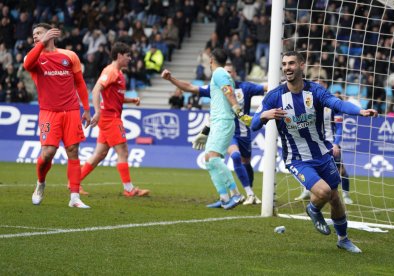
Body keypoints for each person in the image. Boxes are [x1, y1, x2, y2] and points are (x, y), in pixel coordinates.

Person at [251, 51, 378, 253]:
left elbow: (337, 103)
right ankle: (312, 208)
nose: (287, 68)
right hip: (297, 159)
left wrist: (359, 111)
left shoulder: (316, 91)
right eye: (284, 64)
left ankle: (343, 239)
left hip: (321, 154)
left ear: (302, 65)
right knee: (324, 192)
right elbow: (254, 125)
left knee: (335, 198)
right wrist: (265, 115)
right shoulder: (275, 96)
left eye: (291, 63)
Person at [161, 63, 268, 205]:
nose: (227, 75)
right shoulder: (215, 87)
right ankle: (236, 194)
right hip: (227, 130)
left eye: (230, 72)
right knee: (229, 157)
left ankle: (249, 192)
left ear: (234, 73)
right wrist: (171, 79)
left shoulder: (246, 87)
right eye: (225, 72)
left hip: (244, 133)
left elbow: (267, 86)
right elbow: (191, 87)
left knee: (246, 162)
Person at [23, 23, 91, 208]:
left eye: (39, 33)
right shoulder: (34, 57)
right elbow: (27, 64)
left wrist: (86, 108)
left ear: (50, 34)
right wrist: (41, 43)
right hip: (48, 112)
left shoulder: (69, 56)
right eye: (34, 34)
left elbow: (80, 83)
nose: (35, 36)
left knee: (73, 151)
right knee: (48, 153)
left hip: (71, 111)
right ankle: (40, 183)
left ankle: (75, 197)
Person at [79, 42, 150, 198]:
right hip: (109, 118)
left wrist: (131, 100)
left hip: (111, 116)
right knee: (123, 151)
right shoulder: (111, 71)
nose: (130, 59)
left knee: (99, 154)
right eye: (128, 55)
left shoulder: (118, 74)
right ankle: (129, 189)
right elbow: (96, 89)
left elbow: (116, 97)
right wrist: (96, 112)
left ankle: (74, 183)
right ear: (119, 55)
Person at [182, 48, 249, 209]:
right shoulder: (218, 75)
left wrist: (237, 109)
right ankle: (224, 197)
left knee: (213, 158)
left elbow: (228, 91)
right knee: (208, 160)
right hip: (218, 122)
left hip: (224, 121)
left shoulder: (219, 73)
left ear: (211, 60)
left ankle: (236, 194)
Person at [295, 89, 353, 205]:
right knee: (310, 167)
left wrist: (336, 143)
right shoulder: (310, 105)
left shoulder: (332, 107)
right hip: (316, 143)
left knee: (340, 170)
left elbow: (340, 127)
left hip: (331, 144)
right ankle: (306, 192)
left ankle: (346, 195)